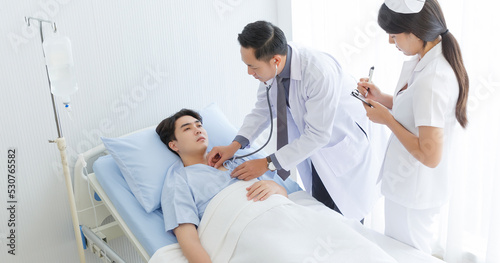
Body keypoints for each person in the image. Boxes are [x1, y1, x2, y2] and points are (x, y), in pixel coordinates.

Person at [206, 20, 380, 221]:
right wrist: (234, 146)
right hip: (314, 152)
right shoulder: (273, 69)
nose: (249, 73)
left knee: (347, 220)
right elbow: (262, 109)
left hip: (340, 149)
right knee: (324, 214)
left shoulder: (317, 72)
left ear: (276, 61)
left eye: (252, 67)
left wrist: (267, 163)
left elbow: (318, 135)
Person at [356, 0, 469, 253]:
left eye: (393, 35)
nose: (389, 41)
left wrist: (387, 119)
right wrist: (382, 98)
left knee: (407, 256)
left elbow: (429, 156)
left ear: (415, 32)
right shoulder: (426, 60)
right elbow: (418, 112)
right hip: (408, 189)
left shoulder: (434, 77)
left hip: (415, 194)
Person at [155, 109, 290, 263]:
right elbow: (188, 238)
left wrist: (274, 187)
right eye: (187, 128)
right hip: (247, 233)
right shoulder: (178, 179)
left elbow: (284, 196)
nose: (197, 130)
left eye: (198, 125)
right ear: (174, 145)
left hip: (280, 217)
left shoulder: (236, 160)